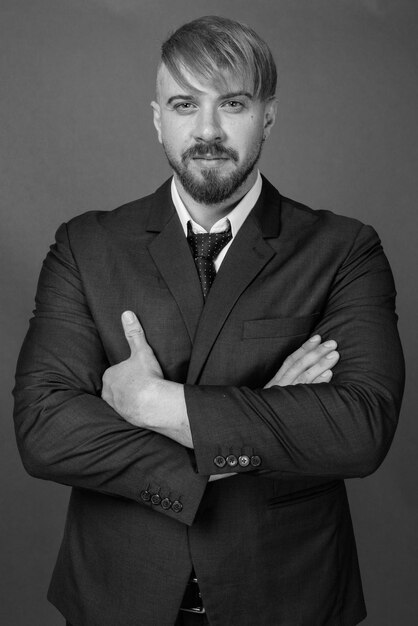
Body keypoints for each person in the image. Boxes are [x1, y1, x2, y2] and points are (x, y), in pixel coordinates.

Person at [13, 15, 404, 626]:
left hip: (287, 599)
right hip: (117, 596)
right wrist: (236, 440)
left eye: (233, 103)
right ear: (156, 118)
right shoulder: (86, 246)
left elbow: (360, 427)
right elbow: (45, 430)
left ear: (268, 115)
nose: (208, 129)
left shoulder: (345, 249)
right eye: (184, 103)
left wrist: (153, 404)